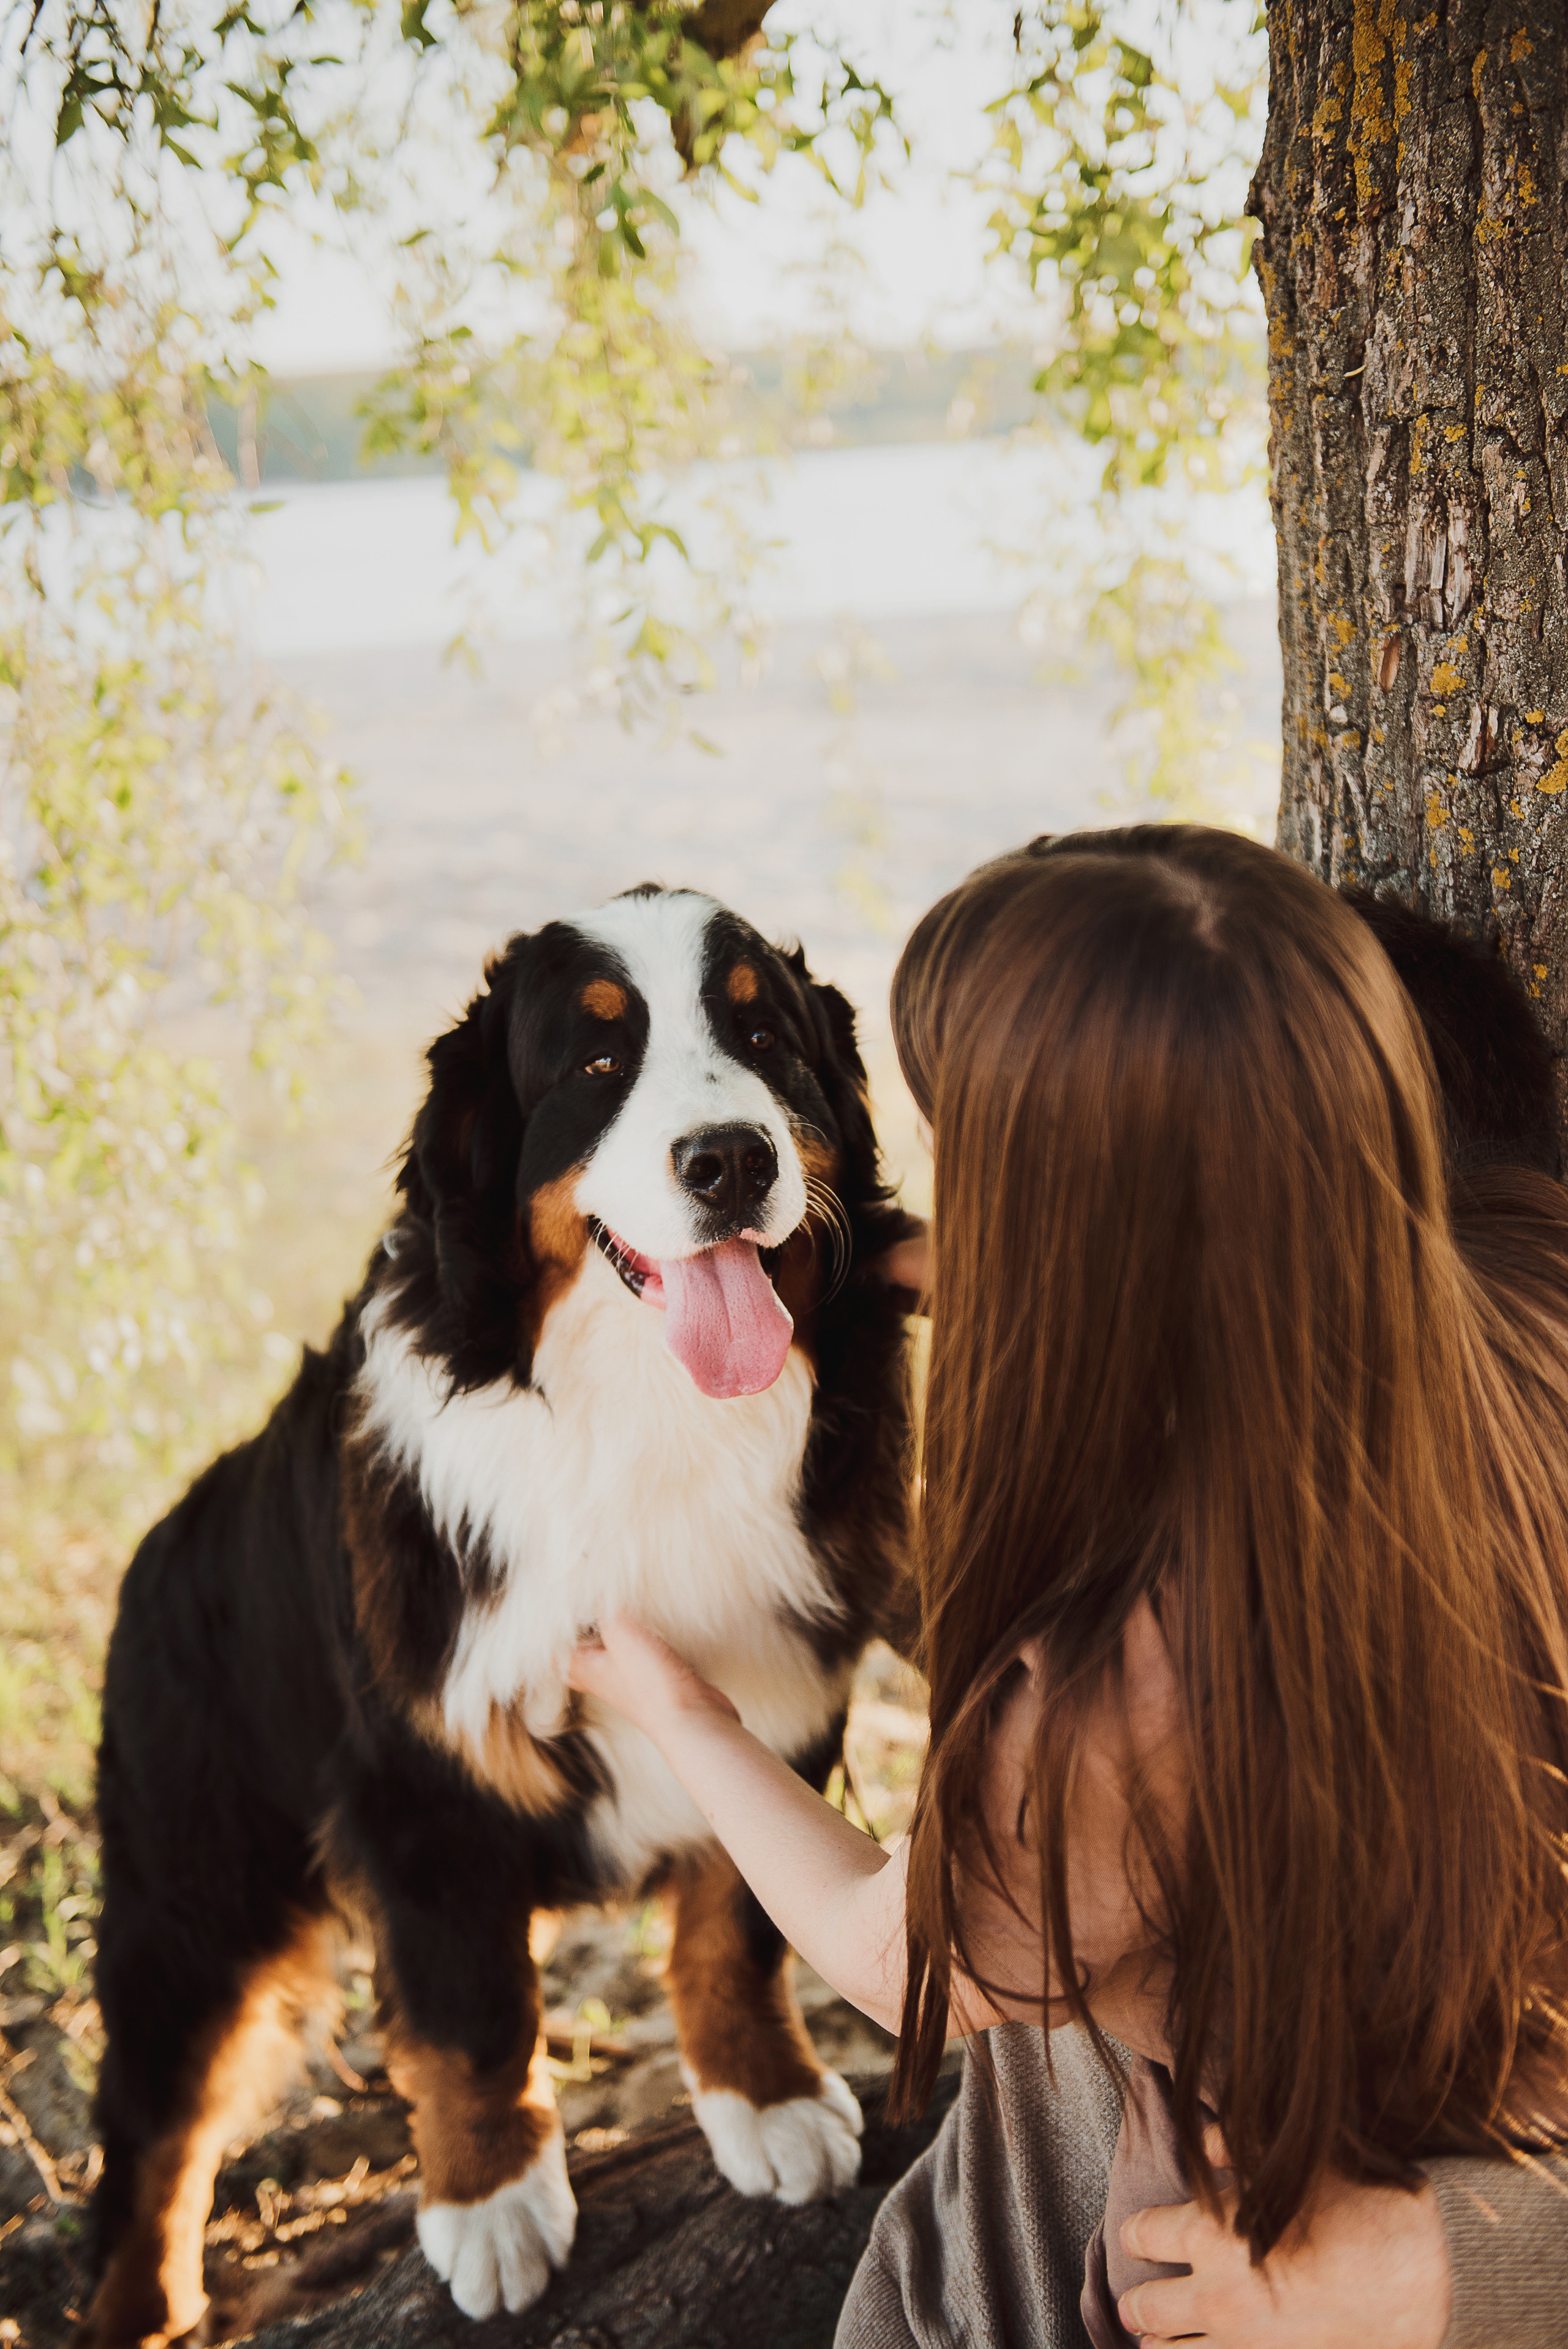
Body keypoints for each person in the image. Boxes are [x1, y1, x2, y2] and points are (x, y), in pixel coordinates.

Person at [571, 828, 1568, 2345]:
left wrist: (680, 1709)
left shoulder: (1112, 1689)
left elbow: (894, 1955)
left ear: (1069, 1235)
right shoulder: (1525, 1305)